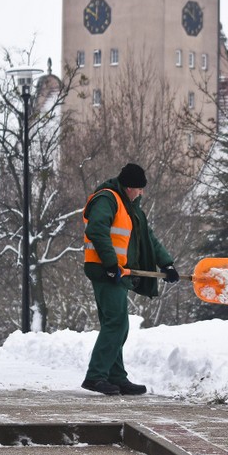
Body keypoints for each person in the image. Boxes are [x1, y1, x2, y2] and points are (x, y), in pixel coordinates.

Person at [81, 163, 179, 395]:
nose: (141, 192)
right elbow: (96, 230)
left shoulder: (130, 208)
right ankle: (96, 376)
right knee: (116, 323)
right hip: (106, 271)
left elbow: (148, 238)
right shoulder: (107, 199)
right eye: (138, 188)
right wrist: (111, 263)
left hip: (119, 272)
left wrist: (166, 263)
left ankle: (116, 376)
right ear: (128, 186)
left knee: (117, 325)